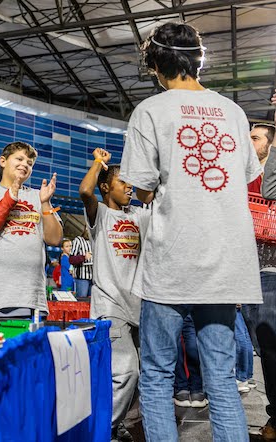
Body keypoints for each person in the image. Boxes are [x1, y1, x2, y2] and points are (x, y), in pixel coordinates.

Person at [119, 22, 262, 441]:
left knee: (158, 376)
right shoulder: (234, 112)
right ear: (197, 61)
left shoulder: (151, 111)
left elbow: (141, 189)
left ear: (158, 66)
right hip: (225, 261)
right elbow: (245, 175)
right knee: (220, 378)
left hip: (173, 261)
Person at [79, 147, 150, 440]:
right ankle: (103, 429)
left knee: (143, 377)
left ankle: (117, 422)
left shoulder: (141, 216)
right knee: (126, 372)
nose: (129, 186)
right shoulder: (102, 215)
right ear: (107, 187)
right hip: (110, 305)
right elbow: (85, 190)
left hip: (142, 307)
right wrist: (99, 163)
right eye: (123, 182)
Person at [0, 142, 63, 317]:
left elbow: (54, 239)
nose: (25, 164)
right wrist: (8, 201)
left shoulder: (38, 196)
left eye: (30, 163)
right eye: (19, 158)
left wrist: (46, 203)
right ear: (3, 161)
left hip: (31, 298)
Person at [246, 121, 276, 438]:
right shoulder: (245, 175)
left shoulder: (271, 174)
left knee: (270, 346)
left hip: (272, 271)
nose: (248, 141)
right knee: (261, 347)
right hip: (248, 271)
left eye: (254, 137)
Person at [70, 227, 93, 298]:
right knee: (82, 300)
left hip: (95, 278)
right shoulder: (78, 240)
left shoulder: (96, 241)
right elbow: (71, 259)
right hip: (82, 277)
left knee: (93, 303)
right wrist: (83, 257)